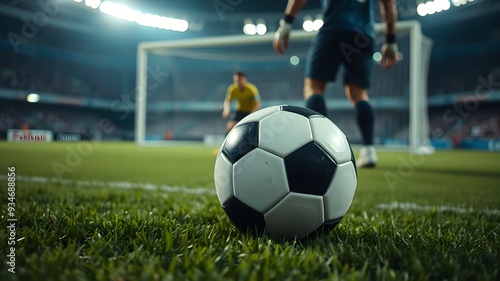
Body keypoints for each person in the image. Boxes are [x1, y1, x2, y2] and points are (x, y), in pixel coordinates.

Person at [273, 0, 399, 168]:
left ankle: (319, 148)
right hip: (363, 35)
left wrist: (286, 22)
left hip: (334, 28)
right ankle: (369, 150)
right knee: (359, 94)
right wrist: (390, 39)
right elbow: (388, 3)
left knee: (313, 87)